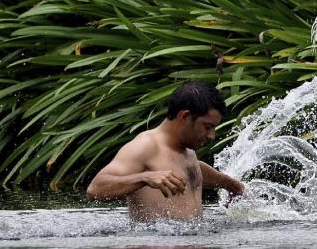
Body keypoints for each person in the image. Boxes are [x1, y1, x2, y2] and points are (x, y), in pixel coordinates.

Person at [86, 81, 245, 220]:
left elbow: (191, 169)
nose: (212, 135)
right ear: (185, 117)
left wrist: (229, 184)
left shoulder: (186, 149)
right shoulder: (145, 146)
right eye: (208, 127)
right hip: (154, 247)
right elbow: (95, 189)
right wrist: (144, 177)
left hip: (192, 244)